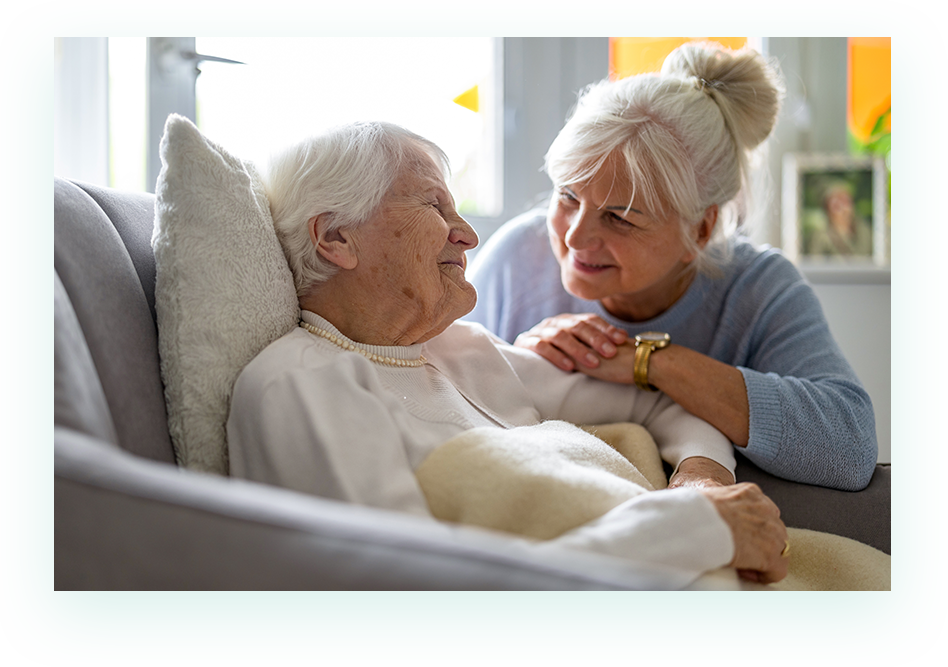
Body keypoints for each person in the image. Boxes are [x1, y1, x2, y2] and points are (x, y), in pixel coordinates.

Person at [226, 120, 788, 584]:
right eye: (435, 207)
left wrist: (701, 481)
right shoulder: (301, 382)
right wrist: (695, 529)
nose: (468, 235)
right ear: (336, 238)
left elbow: (662, 405)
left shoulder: (462, 349)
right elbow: (415, 594)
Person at [466, 42, 877, 491]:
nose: (574, 237)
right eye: (567, 196)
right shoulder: (516, 260)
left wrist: (650, 362)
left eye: (619, 217)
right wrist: (516, 364)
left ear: (700, 231)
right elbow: (436, 396)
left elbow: (850, 447)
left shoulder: (759, 289)